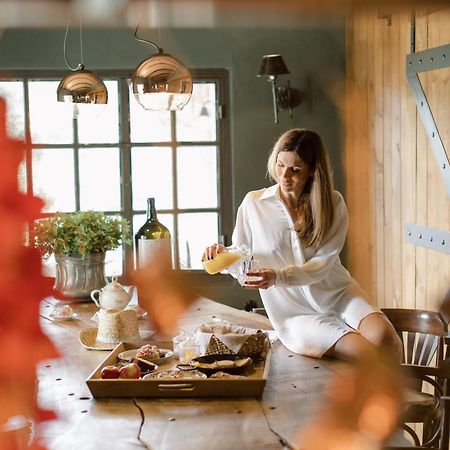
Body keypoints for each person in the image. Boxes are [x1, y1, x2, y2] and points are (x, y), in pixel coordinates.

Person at [203, 128, 402, 362]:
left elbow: (324, 263)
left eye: (295, 170)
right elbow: (242, 254)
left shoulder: (333, 204)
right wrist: (220, 256)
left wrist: (279, 276)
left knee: (389, 341)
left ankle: (405, 400)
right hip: (294, 312)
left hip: (338, 292)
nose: (284, 176)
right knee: (366, 352)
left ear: (312, 172)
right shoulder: (254, 204)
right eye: (280, 165)